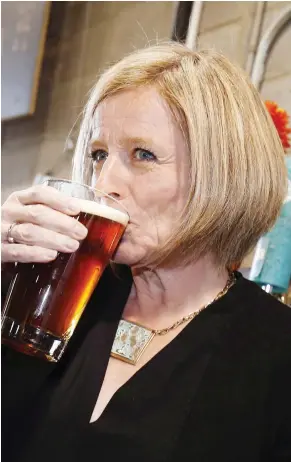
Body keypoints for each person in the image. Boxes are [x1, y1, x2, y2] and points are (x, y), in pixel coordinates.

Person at [2, 43, 291, 462]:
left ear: (223, 174)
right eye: (98, 155)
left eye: (143, 154)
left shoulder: (275, 353)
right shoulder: (55, 297)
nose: (105, 182)